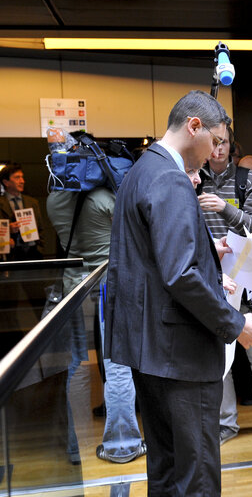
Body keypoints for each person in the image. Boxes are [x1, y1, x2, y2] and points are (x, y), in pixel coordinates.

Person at [104, 90, 252, 496]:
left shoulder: (141, 171)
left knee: (166, 467)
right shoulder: (171, 179)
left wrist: (210, 254)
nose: (215, 153)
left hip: (149, 349)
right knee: (196, 475)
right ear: (194, 126)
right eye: (215, 140)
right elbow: (181, 276)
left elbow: (150, 258)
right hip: (180, 354)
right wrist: (235, 324)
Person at [47, 185, 147, 464]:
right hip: (106, 289)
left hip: (73, 290)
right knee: (117, 365)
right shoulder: (104, 199)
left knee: (77, 366)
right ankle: (122, 444)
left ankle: (73, 446)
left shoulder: (54, 201)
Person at [197, 125, 252, 444]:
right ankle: (226, 422)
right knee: (221, 355)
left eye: (224, 143)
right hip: (212, 276)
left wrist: (225, 208)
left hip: (249, 275)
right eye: (213, 143)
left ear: (232, 146)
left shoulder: (248, 180)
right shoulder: (193, 179)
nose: (218, 149)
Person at [0, 163, 45, 261]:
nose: (22, 181)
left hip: (33, 254)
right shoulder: (1, 203)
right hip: (9, 256)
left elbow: (40, 229)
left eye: (22, 177)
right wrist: (8, 229)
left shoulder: (33, 202)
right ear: (6, 182)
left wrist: (39, 249)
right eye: (17, 178)